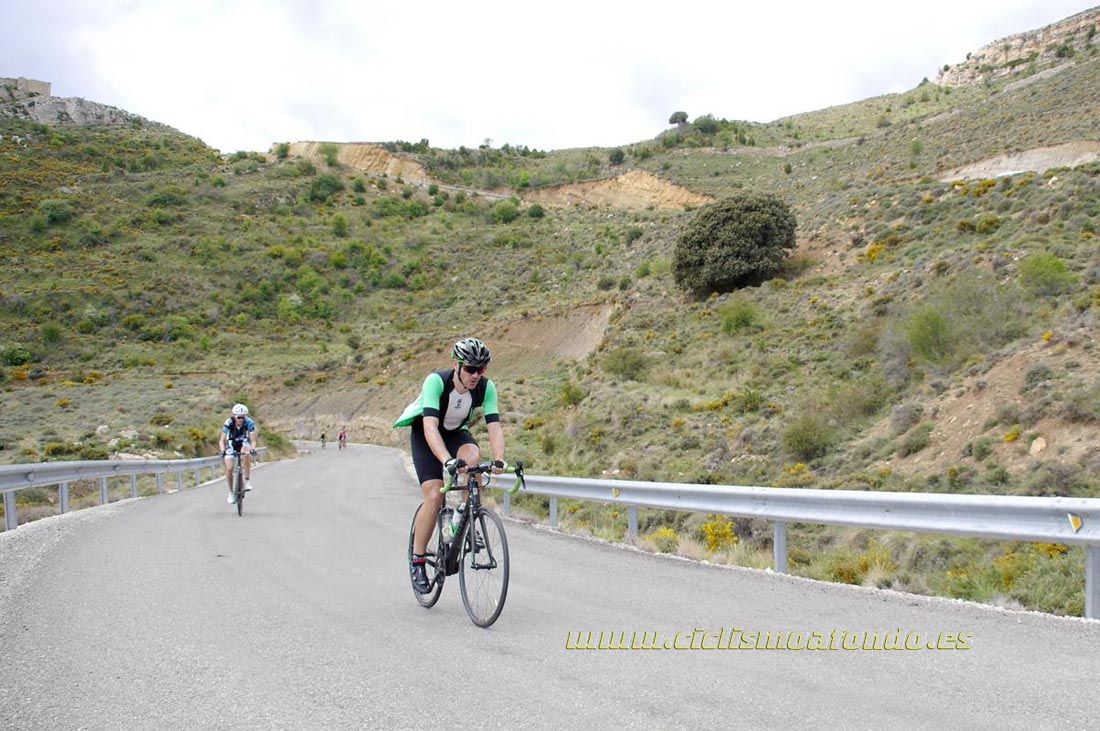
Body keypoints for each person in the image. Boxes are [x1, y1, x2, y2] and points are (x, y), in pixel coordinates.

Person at [393, 337, 506, 594]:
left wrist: (499, 458)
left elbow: (494, 426)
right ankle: (418, 560)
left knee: (474, 460)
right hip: (426, 435)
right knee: (433, 497)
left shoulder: (486, 388)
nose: (476, 374)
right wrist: (447, 461)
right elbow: (430, 427)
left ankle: (466, 516)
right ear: (457, 365)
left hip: (455, 432)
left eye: (481, 368)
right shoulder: (436, 382)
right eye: (470, 368)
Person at [220, 403, 257, 504]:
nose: (241, 419)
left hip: (243, 443)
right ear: (234, 416)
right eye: (239, 417)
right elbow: (221, 440)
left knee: (246, 452)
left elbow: (253, 440)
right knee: (229, 468)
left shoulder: (249, 422)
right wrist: (223, 450)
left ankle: (247, 480)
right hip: (231, 445)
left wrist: (253, 449)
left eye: (243, 417)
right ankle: (231, 492)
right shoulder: (228, 423)